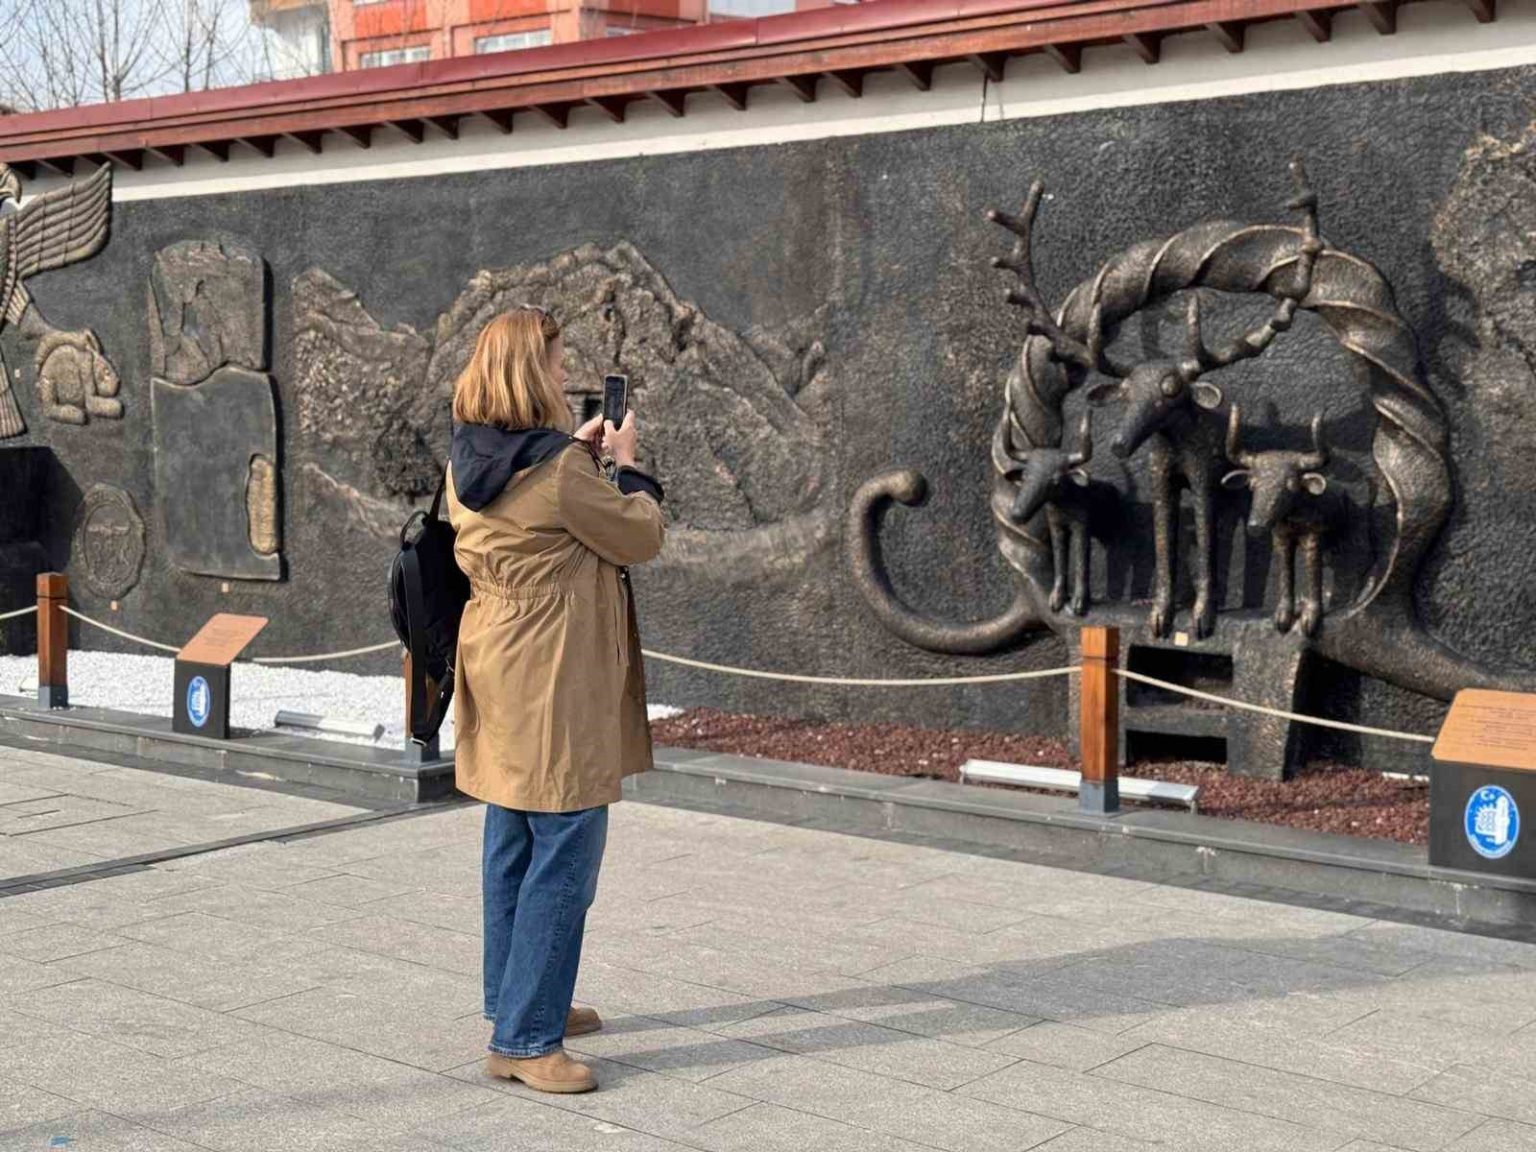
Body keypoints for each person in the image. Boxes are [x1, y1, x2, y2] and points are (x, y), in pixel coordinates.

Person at [445, 306, 665, 1094]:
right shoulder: (561, 472)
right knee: (566, 844)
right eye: (556, 361)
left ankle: (518, 997)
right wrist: (628, 466)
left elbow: (530, 508)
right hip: (554, 675)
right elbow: (638, 534)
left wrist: (571, 452)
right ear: (530, 373)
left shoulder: (467, 458)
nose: (564, 373)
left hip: (496, 662)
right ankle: (527, 1040)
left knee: (512, 836)